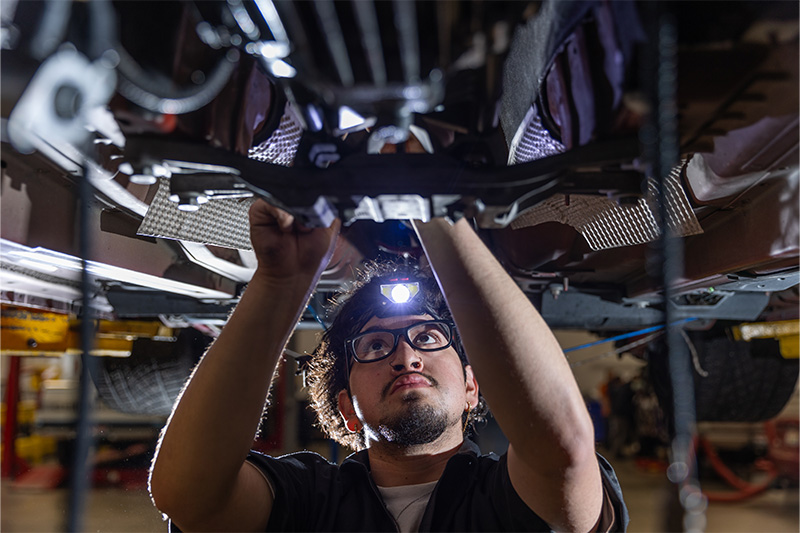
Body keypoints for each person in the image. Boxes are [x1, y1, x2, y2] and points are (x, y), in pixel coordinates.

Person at [149, 199, 628, 532]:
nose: (406, 355)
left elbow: (561, 444)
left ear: (471, 388)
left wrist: (439, 216)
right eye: (375, 346)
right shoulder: (308, 500)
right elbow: (189, 497)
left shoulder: (507, 493)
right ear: (347, 408)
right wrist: (279, 284)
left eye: (427, 337)